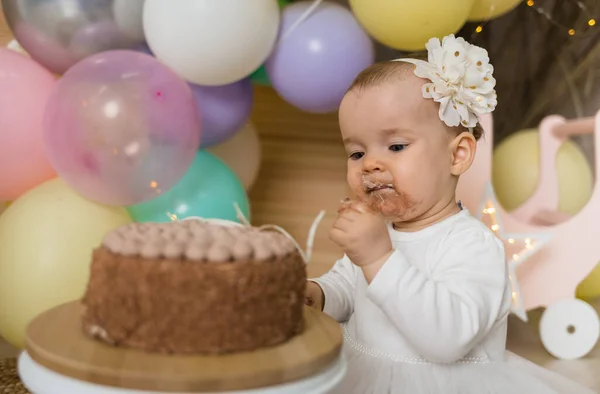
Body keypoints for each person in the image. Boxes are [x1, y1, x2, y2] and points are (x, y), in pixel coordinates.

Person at [304, 35, 594, 394]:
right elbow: (351, 285)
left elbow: (447, 338)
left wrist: (378, 257)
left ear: (457, 156)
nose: (371, 165)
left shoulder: (472, 246)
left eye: (395, 146)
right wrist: (320, 294)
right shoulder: (379, 231)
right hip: (364, 375)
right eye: (356, 153)